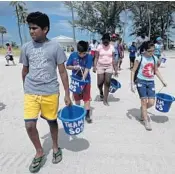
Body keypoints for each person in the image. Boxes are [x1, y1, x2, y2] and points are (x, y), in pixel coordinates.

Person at [19, 11, 72, 173]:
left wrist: (67, 94)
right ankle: (39, 152)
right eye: (30, 28)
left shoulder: (55, 47)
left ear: (45, 29)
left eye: (35, 28)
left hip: (50, 92)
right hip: (31, 92)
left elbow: (62, 72)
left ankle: (55, 147)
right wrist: (26, 88)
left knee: (51, 121)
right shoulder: (26, 47)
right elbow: (24, 70)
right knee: (29, 125)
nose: (31, 31)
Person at [131, 41, 167, 131]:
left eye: (153, 50)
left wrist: (163, 81)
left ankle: (143, 110)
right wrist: (132, 83)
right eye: (150, 51)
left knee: (151, 102)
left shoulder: (154, 58)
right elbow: (133, 71)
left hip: (150, 82)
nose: (152, 53)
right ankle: (146, 120)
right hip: (141, 81)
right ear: (145, 50)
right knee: (143, 101)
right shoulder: (139, 58)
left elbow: (156, 71)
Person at [66, 41, 93, 123]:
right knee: (77, 98)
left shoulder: (89, 57)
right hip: (75, 80)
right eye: (79, 53)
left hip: (85, 81)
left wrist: (83, 80)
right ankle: (77, 113)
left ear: (87, 51)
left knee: (86, 98)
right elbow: (67, 66)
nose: (81, 55)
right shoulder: (73, 55)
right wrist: (74, 67)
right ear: (77, 50)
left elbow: (87, 70)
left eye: (84, 53)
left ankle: (87, 115)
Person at [93, 33, 118, 106]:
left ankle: (105, 99)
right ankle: (101, 91)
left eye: (107, 41)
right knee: (99, 83)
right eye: (104, 41)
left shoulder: (112, 48)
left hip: (109, 66)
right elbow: (96, 57)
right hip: (100, 66)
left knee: (107, 82)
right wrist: (94, 66)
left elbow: (113, 59)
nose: (106, 43)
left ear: (109, 41)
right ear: (102, 40)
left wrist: (115, 69)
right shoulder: (99, 47)